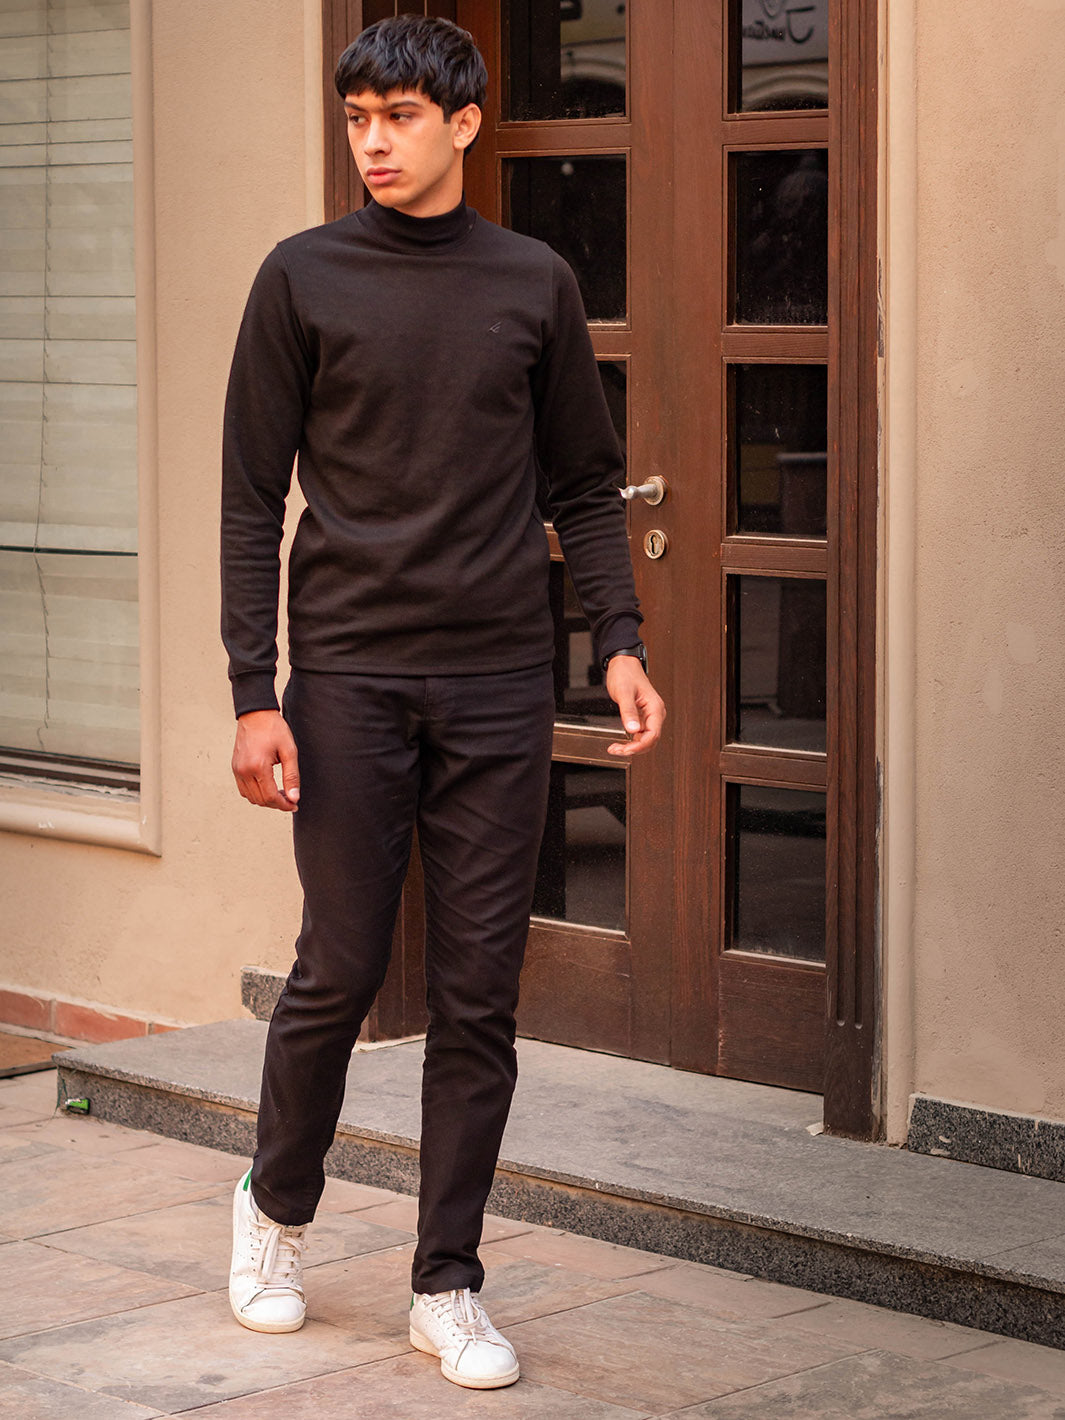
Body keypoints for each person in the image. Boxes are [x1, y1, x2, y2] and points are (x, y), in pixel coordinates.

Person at [220, 14, 664, 1392]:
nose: (373, 141)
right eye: (358, 117)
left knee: (480, 994)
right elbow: (249, 497)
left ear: (465, 124)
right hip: (348, 678)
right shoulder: (300, 277)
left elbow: (584, 484)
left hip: (495, 684)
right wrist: (252, 691)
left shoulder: (533, 283)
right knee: (341, 968)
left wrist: (619, 640)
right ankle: (274, 1209)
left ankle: (446, 1283)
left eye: (400, 116)